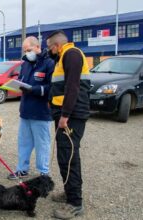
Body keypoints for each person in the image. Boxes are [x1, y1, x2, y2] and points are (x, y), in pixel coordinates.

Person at [46, 30, 91, 219]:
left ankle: (75, 203)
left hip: (71, 117)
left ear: (56, 46)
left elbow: (72, 87)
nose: (48, 51)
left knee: (70, 157)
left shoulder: (71, 55)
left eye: (49, 47)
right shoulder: (63, 56)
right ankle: (69, 192)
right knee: (64, 156)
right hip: (65, 115)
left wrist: (65, 115)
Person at [8, 36, 55, 180]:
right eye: (25, 50)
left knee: (42, 144)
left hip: (41, 112)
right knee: (24, 143)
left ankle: (43, 172)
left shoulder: (49, 63)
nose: (27, 52)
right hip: (26, 110)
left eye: (29, 50)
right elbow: (22, 80)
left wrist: (34, 90)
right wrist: (17, 84)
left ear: (37, 47)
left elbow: (52, 87)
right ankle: (22, 169)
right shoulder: (26, 63)